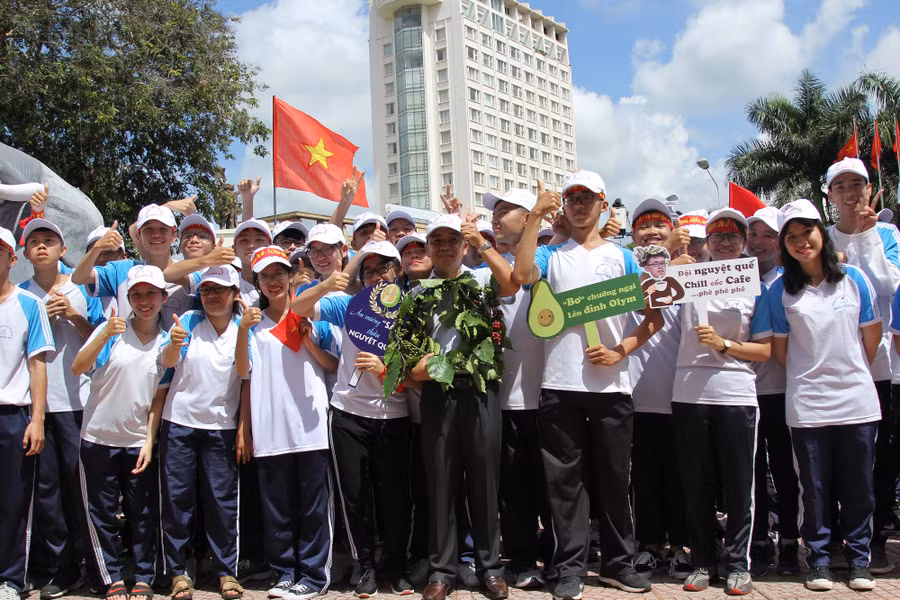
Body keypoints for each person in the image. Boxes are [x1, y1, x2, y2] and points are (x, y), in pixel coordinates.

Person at [511, 172, 662, 597]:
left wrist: (621, 351)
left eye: (587, 198)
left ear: (602, 204)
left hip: (613, 389)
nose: (579, 205)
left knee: (615, 480)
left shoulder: (625, 257)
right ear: (564, 205)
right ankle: (570, 568)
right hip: (559, 385)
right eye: (571, 198)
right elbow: (522, 275)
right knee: (565, 485)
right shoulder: (550, 256)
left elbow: (654, 317)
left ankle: (618, 563)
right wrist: (535, 217)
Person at [401, 213, 518, 600]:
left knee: (485, 482)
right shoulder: (417, 295)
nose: (446, 247)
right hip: (438, 396)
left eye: (453, 240)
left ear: (465, 245)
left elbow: (511, 282)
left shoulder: (482, 279)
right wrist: (434, 367)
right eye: (437, 241)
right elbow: (412, 367)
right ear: (429, 249)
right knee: (440, 483)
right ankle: (442, 571)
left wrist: (482, 242)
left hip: (481, 392)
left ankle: (490, 567)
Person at [772, 199, 882, 592]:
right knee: (814, 489)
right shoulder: (780, 292)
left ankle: (858, 561)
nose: (802, 243)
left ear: (821, 231)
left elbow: (870, 337)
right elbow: (782, 353)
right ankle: (818, 560)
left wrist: (847, 370)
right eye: (793, 237)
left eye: (808, 233)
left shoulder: (854, 279)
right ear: (785, 244)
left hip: (857, 400)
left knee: (858, 486)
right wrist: (814, 375)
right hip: (807, 404)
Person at [293, 241, 413, 597]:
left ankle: (396, 566)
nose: (377, 277)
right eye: (370, 271)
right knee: (355, 497)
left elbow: (423, 364)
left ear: (399, 271)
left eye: (384, 268)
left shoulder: (412, 309)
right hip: (348, 414)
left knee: (395, 498)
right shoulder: (348, 304)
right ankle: (366, 566)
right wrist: (349, 266)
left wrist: (387, 367)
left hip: (396, 415)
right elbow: (298, 308)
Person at [670, 208, 772, 595]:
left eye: (733, 235)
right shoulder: (688, 275)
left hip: (736, 393)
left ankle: (737, 565)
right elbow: (648, 296)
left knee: (738, 485)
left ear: (744, 242)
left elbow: (764, 351)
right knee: (696, 484)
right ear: (707, 242)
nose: (725, 242)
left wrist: (725, 345)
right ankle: (700, 562)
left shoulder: (753, 283)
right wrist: (667, 263)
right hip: (689, 392)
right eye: (717, 235)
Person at [235, 246, 338, 600]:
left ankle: (313, 575)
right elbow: (243, 374)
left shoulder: (307, 318)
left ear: (292, 276)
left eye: (279, 274)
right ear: (258, 283)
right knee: (276, 509)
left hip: (309, 430)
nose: (273, 281)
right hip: (270, 432)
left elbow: (331, 365)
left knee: (312, 507)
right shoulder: (252, 327)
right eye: (265, 276)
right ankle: (284, 572)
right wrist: (245, 428)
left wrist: (309, 342)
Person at [72, 265, 172, 600]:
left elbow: (159, 397)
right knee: (100, 515)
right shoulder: (111, 331)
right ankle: (110, 577)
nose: (144, 302)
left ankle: (144, 575)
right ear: (128, 298)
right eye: (137, 295)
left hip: (137, 443)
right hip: (98, 439)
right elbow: (78, 366)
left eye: (151, 294)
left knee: (142, 514)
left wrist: (148, 440)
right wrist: (102, 333)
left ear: (162, 298)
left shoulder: (167, 341)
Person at [19, 218, 104, 598]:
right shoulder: (19, 294)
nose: (41, 246)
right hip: (35, 406)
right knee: (47, 491)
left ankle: (97, 565)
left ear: (62, 248)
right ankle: (61, 567)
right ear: (24, 253)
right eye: (33, 241)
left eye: (48, 240)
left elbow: (103, 340)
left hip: (76, 403)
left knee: (81, 489)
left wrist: (72, 315)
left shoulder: (81, 286)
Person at [824, 157, 900, 573]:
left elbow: (887, 284)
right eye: (842, 187)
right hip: (828, 367)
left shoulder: (887, 233)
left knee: (876, 462)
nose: (852, 194)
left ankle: (873, 540)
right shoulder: (821, 236)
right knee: (831, 461)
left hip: (876, 367)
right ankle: (835, 539)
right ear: (830, 196)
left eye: (859, 185)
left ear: (871, 190)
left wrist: (868, 236)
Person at [158, 265, 246, 600]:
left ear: (235, 295)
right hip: (179, 423)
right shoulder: (188, 322)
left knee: (222, 502)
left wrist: (242, 429)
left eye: (220, 290)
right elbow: (167, 362)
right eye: (207, 290)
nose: (212, 296)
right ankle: (178, 573)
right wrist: (174, 344)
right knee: (177, 499)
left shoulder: (243, 328)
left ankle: (227, 572)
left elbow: (245, 374)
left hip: (221, 428)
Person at [481, 188, 551, 589]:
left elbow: (518, 279)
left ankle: (558, 558)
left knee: (551, 488)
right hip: (502, 400)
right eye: (495, 211)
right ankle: (522, 560)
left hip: (545, 395)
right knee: (514, 491)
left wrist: (540, 219)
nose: (497, 217)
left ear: (527, 219)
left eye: (506, 210)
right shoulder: (480, 270)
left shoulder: (545, 257)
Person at [625, 198, 692, 581]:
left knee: (683, 477)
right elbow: (636, 292)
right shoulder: (625, 270)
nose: (652, 232)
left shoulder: (692, 271)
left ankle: (681, 546)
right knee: (645, 478)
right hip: (638, 395)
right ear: (632, 236)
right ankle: (648, 546)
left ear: (673, 228)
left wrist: (680, 266)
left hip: (683, 394)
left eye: (660, 226)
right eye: (643, 227)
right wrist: (664, 260)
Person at [744, 207, 800, 577]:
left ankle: (792, 541)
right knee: (750, 472)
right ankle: (759, 540)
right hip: (744, 391)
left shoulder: (795, 280)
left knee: (785, 468)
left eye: (769, 235)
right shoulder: (731, 274)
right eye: (754, 234)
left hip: (783, 388)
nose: (760, 242)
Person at [0, 225, 53, 600]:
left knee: (13, 502)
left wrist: (37, 419)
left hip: (12, 415)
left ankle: (10, 579)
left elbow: (37, 365)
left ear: (10, 258)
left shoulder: (28, 304)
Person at [71, 204, 195, 330]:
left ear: (174, 236)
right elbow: (78, 278)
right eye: (149, 230)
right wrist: (97, 248)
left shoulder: (189, 274)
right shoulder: (121, 270)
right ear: (138, 236)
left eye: (163, 229)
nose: (156, 235)